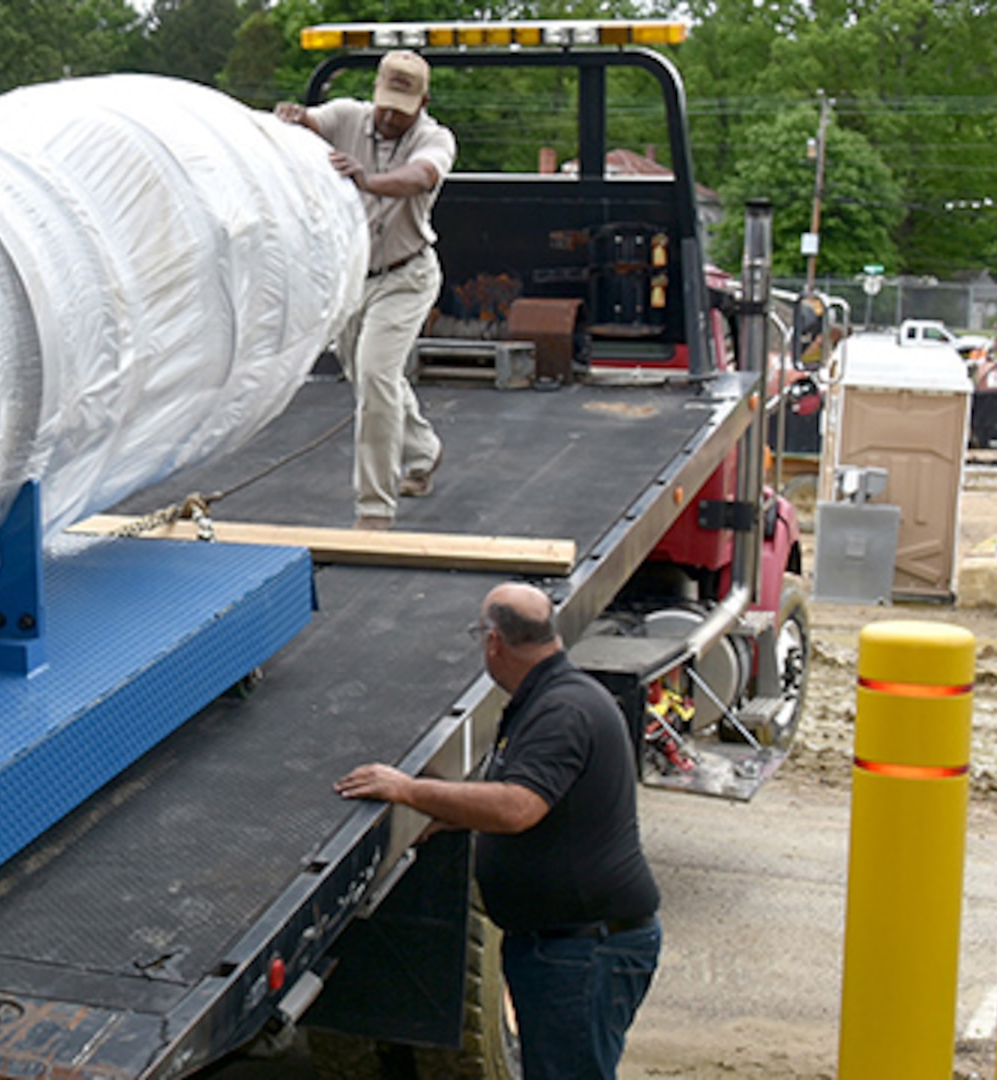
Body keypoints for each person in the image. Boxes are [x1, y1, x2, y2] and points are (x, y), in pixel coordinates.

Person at [335, 581, 661, 1080]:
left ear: (494, 642)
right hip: (570, 944)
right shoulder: (550, 697)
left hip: (582, 951)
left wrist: (407, 790)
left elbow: (516, 807)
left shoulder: (563, 711)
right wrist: (446, 817)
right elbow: (538, 804)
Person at [276, 51, 456, 528]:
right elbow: (306, 122)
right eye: (385, 104)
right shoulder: (349, 116)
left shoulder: (435, 139)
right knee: (367, 375)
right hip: (353, 276)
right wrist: (292, 119)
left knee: (376, 376)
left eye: (403, 107)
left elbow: (422, 176)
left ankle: (374, 509)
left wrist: (368, 180)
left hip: (405, 276)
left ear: (423, 102)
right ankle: (423, 451)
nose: (391, 116)